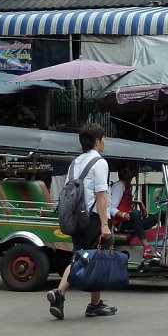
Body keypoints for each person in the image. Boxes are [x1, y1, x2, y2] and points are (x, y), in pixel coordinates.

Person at [45, 123, 117, 320]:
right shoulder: (100, 163)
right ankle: (94, 305)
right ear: (97, 141)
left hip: (77, 218)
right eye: (104, 139)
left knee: (79, 257)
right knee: (98, 258)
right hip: (93, 218)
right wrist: (104, 225)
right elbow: (101, 195)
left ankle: (59, 293)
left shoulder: (75, 162)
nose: (105, 142)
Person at [108, 161, 160, 259]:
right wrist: (123, 215)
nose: (132, 171)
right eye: (130, 169)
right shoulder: (119, 186)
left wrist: (140, 204)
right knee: (135, 213)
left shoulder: (127, 186)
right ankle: (146, 247)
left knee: (162, 214)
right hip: (121, 224)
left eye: (133, 168)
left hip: (132, 222)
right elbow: (110, 208)